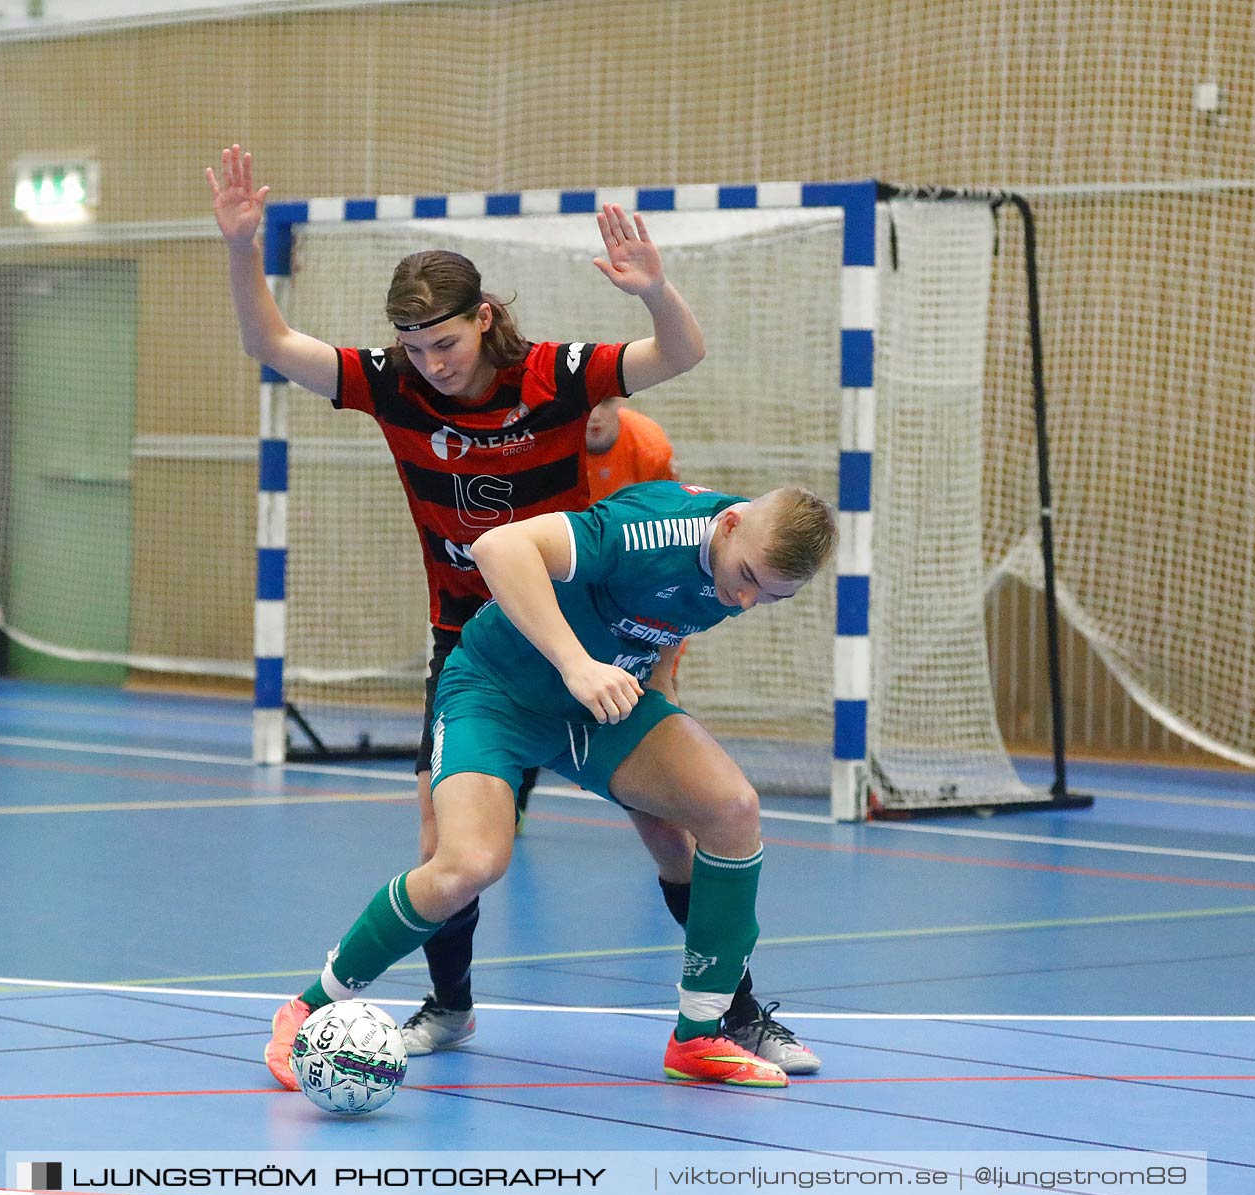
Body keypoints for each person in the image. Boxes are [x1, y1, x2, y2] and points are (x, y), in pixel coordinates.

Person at [206, 147, 815, 1080]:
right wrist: (244, 249)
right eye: (414, 349)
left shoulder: (554, 375)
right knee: (451, 853)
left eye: (444, 343)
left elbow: (681, 353)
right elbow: (271, 345)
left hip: (580, 638)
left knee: (688, 823)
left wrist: (654, 291)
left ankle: (722, 1017)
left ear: (484, 319)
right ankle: (444, 1007)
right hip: (476, 649)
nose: (431, 365)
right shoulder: (392, 383)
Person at [266, 480, 836, 1088]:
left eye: (770, 597)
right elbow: (498, 546)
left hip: (603, 707)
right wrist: (576, 664)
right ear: (729, 526)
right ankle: (307, 1009)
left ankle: (699, 1036)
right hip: (497, 695)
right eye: (747, 577)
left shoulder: (737, 570)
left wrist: (664, 705)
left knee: (731, 808)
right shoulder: (652, 530)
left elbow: (665, 621)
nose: (747, 599)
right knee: (467, 863)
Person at [586, 396, 677, 503]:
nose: (594, 415)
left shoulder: (652, 449)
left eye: (607, 402)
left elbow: (669, 507)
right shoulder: (561, 439)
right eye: (583, 402)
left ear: (622, 400)